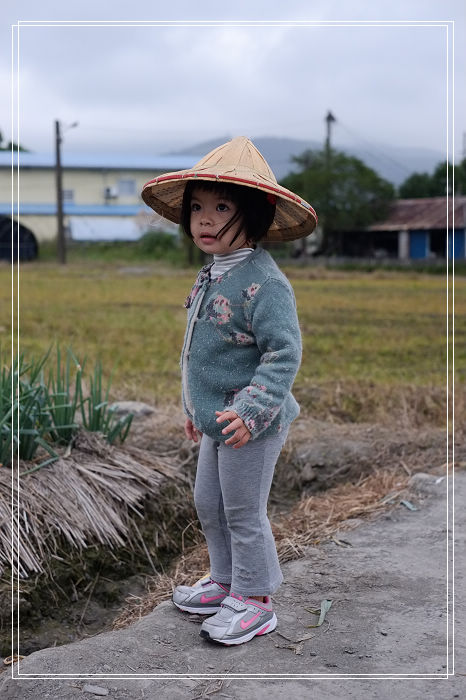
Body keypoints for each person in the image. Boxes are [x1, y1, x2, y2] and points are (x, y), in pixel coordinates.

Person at [141, 137, 317, 645]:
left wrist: (254, 408)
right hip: (217, 417)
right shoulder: (212, 274)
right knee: (209, 504)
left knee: (243, 509)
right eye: (197, 208)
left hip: (251, 423)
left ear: (256, 216)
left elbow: (283, 354)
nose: (204, 219)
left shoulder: (265, 282)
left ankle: (256, 600)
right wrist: (193, 407)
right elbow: (201, 349)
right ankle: (225, 582)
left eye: (222, 208)